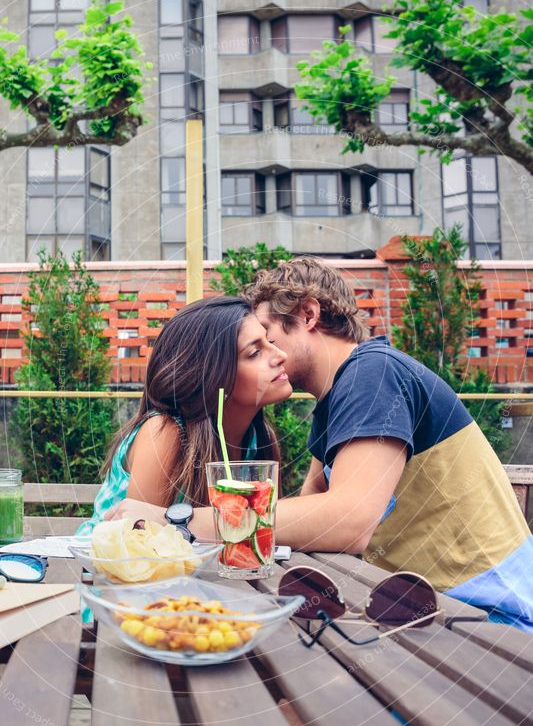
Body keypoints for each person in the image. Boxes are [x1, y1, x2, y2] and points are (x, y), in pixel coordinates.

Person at [107, 258, 533, 631]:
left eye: (270, 335)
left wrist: (178, 520)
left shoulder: (374, 375)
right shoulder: (338, 403)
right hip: (433, 612)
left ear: (308, 314)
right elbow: (309, 518)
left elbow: (346, 521)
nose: (271, 352)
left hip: (491, 616)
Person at [78, 295, 291, 534]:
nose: (280, 355)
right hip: (94, 567)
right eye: (254, 352)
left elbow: (266, 532)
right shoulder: (165, 432)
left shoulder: (260, 440)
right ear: (212, 376)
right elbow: (138, 543)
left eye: (269, 341)